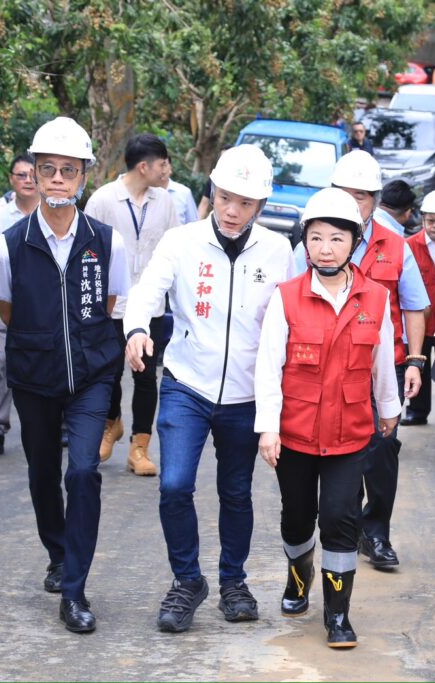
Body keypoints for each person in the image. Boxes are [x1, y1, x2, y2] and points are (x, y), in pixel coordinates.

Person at [124, 144, 294, 632]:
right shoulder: (182, 243)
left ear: (260, 206)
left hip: (247, 395)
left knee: (236, 492)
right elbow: (148, 291)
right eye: (224, 198)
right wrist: (136, 329)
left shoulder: (278, 251)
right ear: (212, 193)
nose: (233, 211)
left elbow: (292, 320)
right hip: (187, 385)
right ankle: (186, 581)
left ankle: (233, 582)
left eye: (245, 202)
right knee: (175, 484)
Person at [0, 117, 130, 632]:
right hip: (34, 374)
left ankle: (74, 590)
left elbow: (112, 305)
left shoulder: (106, 241)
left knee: (83, 471)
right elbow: (6, 308)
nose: (59, 179)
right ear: (36, 175)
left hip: (93, 375)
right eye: (50, 170)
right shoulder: (10, 242)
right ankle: (57, 550)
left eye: (70, 170)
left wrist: (86, 349)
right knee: (43, 471)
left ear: (84, 176)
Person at [256, 187, 401, 648]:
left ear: (354, 243)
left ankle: (337, 615)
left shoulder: (375, 299)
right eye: (316, 238)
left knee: (340, 518)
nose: (325, 248)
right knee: (298, 518)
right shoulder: (286, 297)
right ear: (305, 243)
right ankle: (298, 578)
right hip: (296, 433)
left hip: (350, 434)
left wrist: (390, 408)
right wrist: (268, 426)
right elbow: (268, 365)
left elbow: (381, 362)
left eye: (336, 239)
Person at [293, 150, 429, 570]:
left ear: (375, 199)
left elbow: (413, 306)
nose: (354, 204)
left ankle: (377, 531)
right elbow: (292, 299)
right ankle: (346, 530)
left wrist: (416, 361)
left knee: (382, 448)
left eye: (363, 196)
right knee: (340, 448)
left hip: (382, 364)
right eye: (346, 194)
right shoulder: (315, 241)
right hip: (327, 365)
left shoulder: (396, 245)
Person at [84, 134, 179, 476]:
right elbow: (87, 250)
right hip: (111, 304)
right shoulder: (103, 200)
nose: (167, 169)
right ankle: (113, 423)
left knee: (145, 377)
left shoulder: (165, 201)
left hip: (150, 306)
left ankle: (140, 447)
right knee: (107, 373)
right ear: (144, 166)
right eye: (163, 163)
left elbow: (175, 247)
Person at [0, 154, 39, 456]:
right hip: (10, 304)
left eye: (31, 175)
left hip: (47, 304)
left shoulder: (53, 211)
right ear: (11, 179)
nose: (27, 180)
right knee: (2, 361)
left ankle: (63, 423)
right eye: (21, 175)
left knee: (53, 362)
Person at [402, 190, 435, 429]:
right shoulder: (409, 246)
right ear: (422, 219)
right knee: (418, 364)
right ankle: (417, 412)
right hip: (420, 320)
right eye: (431, 220)